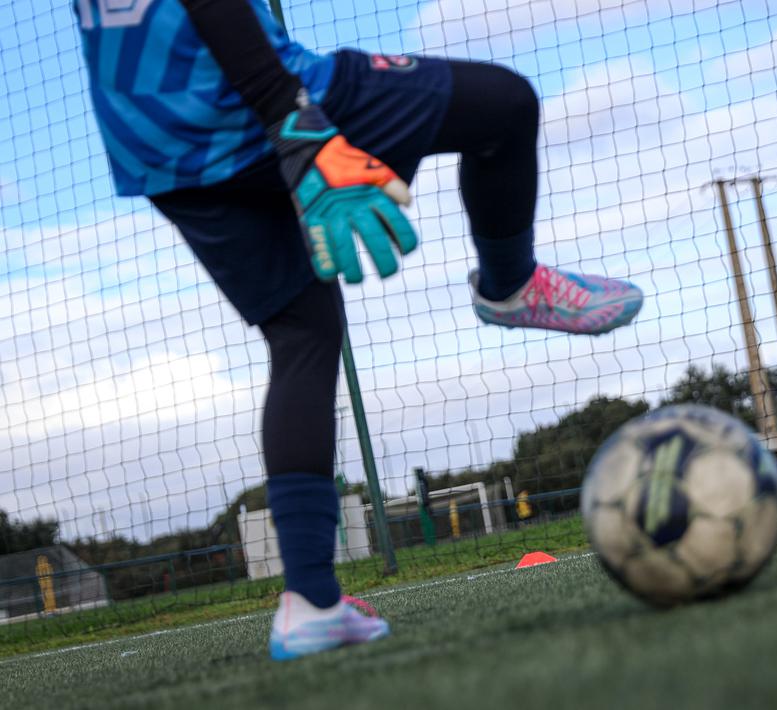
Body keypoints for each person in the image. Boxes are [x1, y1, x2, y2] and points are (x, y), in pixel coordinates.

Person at [72, 0, 643, 660]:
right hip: (242, 100)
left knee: (302, 333)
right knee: (504, 105)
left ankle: (311, 601)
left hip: (154, 140)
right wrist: (297, 125)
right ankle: (509, 284)